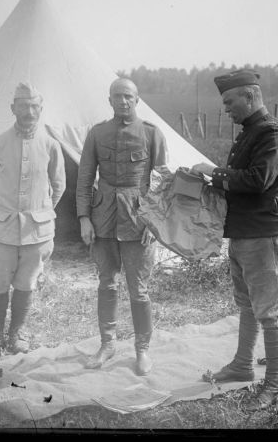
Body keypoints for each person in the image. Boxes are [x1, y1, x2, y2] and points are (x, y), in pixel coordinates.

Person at [191, 69, 278, 410]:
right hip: (246, 230)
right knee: (248, 302)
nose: (225, 109)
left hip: (266, 231)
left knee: (270, 308)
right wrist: (210, 183)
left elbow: (257, 180)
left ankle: (273, 385)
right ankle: (242, 364)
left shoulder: (270, 132)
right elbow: (242, 182)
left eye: (229, 101)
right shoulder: (251, 132)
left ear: (250, 97)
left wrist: (213, 173)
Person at [76, 78, 168, 376]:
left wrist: (152, 222)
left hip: (138, 220)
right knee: (107, 283)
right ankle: (107, 344)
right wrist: (84, 218)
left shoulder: (152, 134)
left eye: (128, 96)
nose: (123, 101)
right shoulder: (97, 133)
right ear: (109, 100)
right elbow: (85, 178)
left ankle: (142, 350)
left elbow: (163, 182)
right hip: (103, 220)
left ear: (137, 99)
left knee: (138, 290)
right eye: (117, 96)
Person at [0, 82, 65, 358]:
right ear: (12, 108)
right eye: (22, 105)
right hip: (2, 228)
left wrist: (40, 211)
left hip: (36, 230)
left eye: (34, 106)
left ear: (41, 109)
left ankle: (16, 333)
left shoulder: (51, 145)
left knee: (26, 282)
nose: (28, 111)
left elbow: (59, 184)